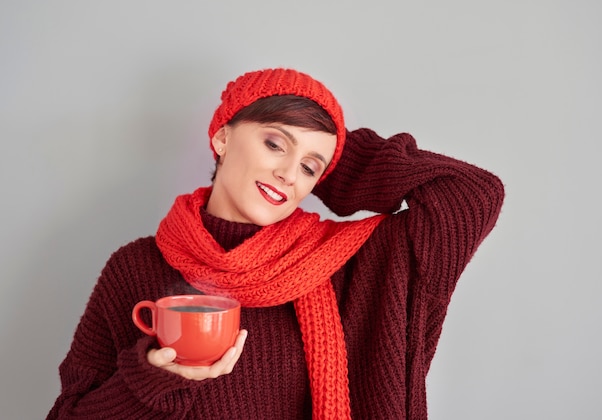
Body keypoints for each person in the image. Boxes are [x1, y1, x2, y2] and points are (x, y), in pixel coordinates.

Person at [47, 68, 505, 419]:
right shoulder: (135, 267)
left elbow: (472, 194)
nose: (289, 173)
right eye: (274, 143)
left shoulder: (348, 264)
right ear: (222, 135)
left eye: (310, 168)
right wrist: (151, 378)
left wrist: (335, 156)